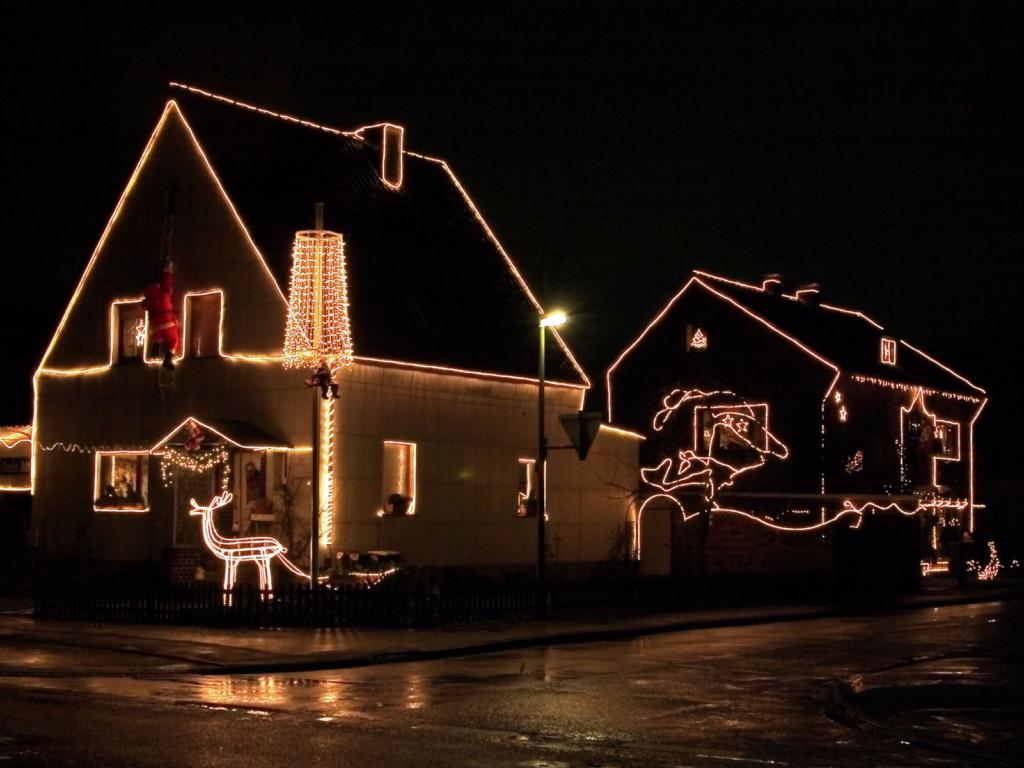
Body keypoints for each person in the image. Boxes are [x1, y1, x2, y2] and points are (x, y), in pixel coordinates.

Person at [143, 260, 179, 370]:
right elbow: (168, 282)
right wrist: (169, 270)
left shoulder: (148, 297)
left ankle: (155, 348)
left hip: (155, 323)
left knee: (159, 336)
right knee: (174, 340)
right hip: (167, 320)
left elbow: (144, 305)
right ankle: (167, 359)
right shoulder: (164, 292)